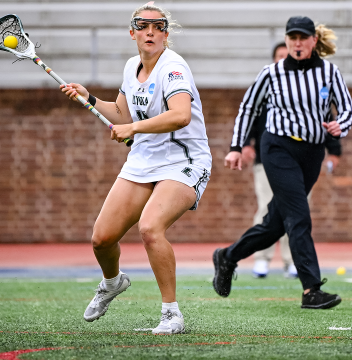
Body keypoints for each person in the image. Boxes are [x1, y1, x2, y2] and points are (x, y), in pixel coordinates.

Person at [60, 2, 211, 334]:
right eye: (143, 26)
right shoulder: (132, 66)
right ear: (132, 33)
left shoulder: (173, 67)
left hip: (184, 160)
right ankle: (112, 282)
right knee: (102, 239)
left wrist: (134, 130)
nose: (151, 32)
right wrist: (89, 99)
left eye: (158, 27)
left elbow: (180, 115)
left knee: (150, 227)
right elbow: (121, 113)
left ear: (166, 35)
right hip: (143, 159)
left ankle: (172, 315)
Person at [213, 16, 352, 309]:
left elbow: (347, 109)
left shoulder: (329, 72)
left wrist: (340, 125)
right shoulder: (271, 73)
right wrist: (236, 147)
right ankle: (311, 289)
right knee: (299, 216)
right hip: (278, 148)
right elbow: (248, 108)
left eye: (303, 37)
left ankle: (228, 257)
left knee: (275, 224)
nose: (297, 43)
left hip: (312, 153)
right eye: (292, 37)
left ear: (314, 41)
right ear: (287, 40)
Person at [243, 43, 343, 279]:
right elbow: (250, 115)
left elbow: (324, 118)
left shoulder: (309, 88)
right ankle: (262, 259)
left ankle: (292, 262)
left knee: (297, 211)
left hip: (301, 160)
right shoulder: (266, 84)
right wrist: (244, 145)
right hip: (268, 160)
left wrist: (334, 150)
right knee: (266, 207)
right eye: (278, 56)